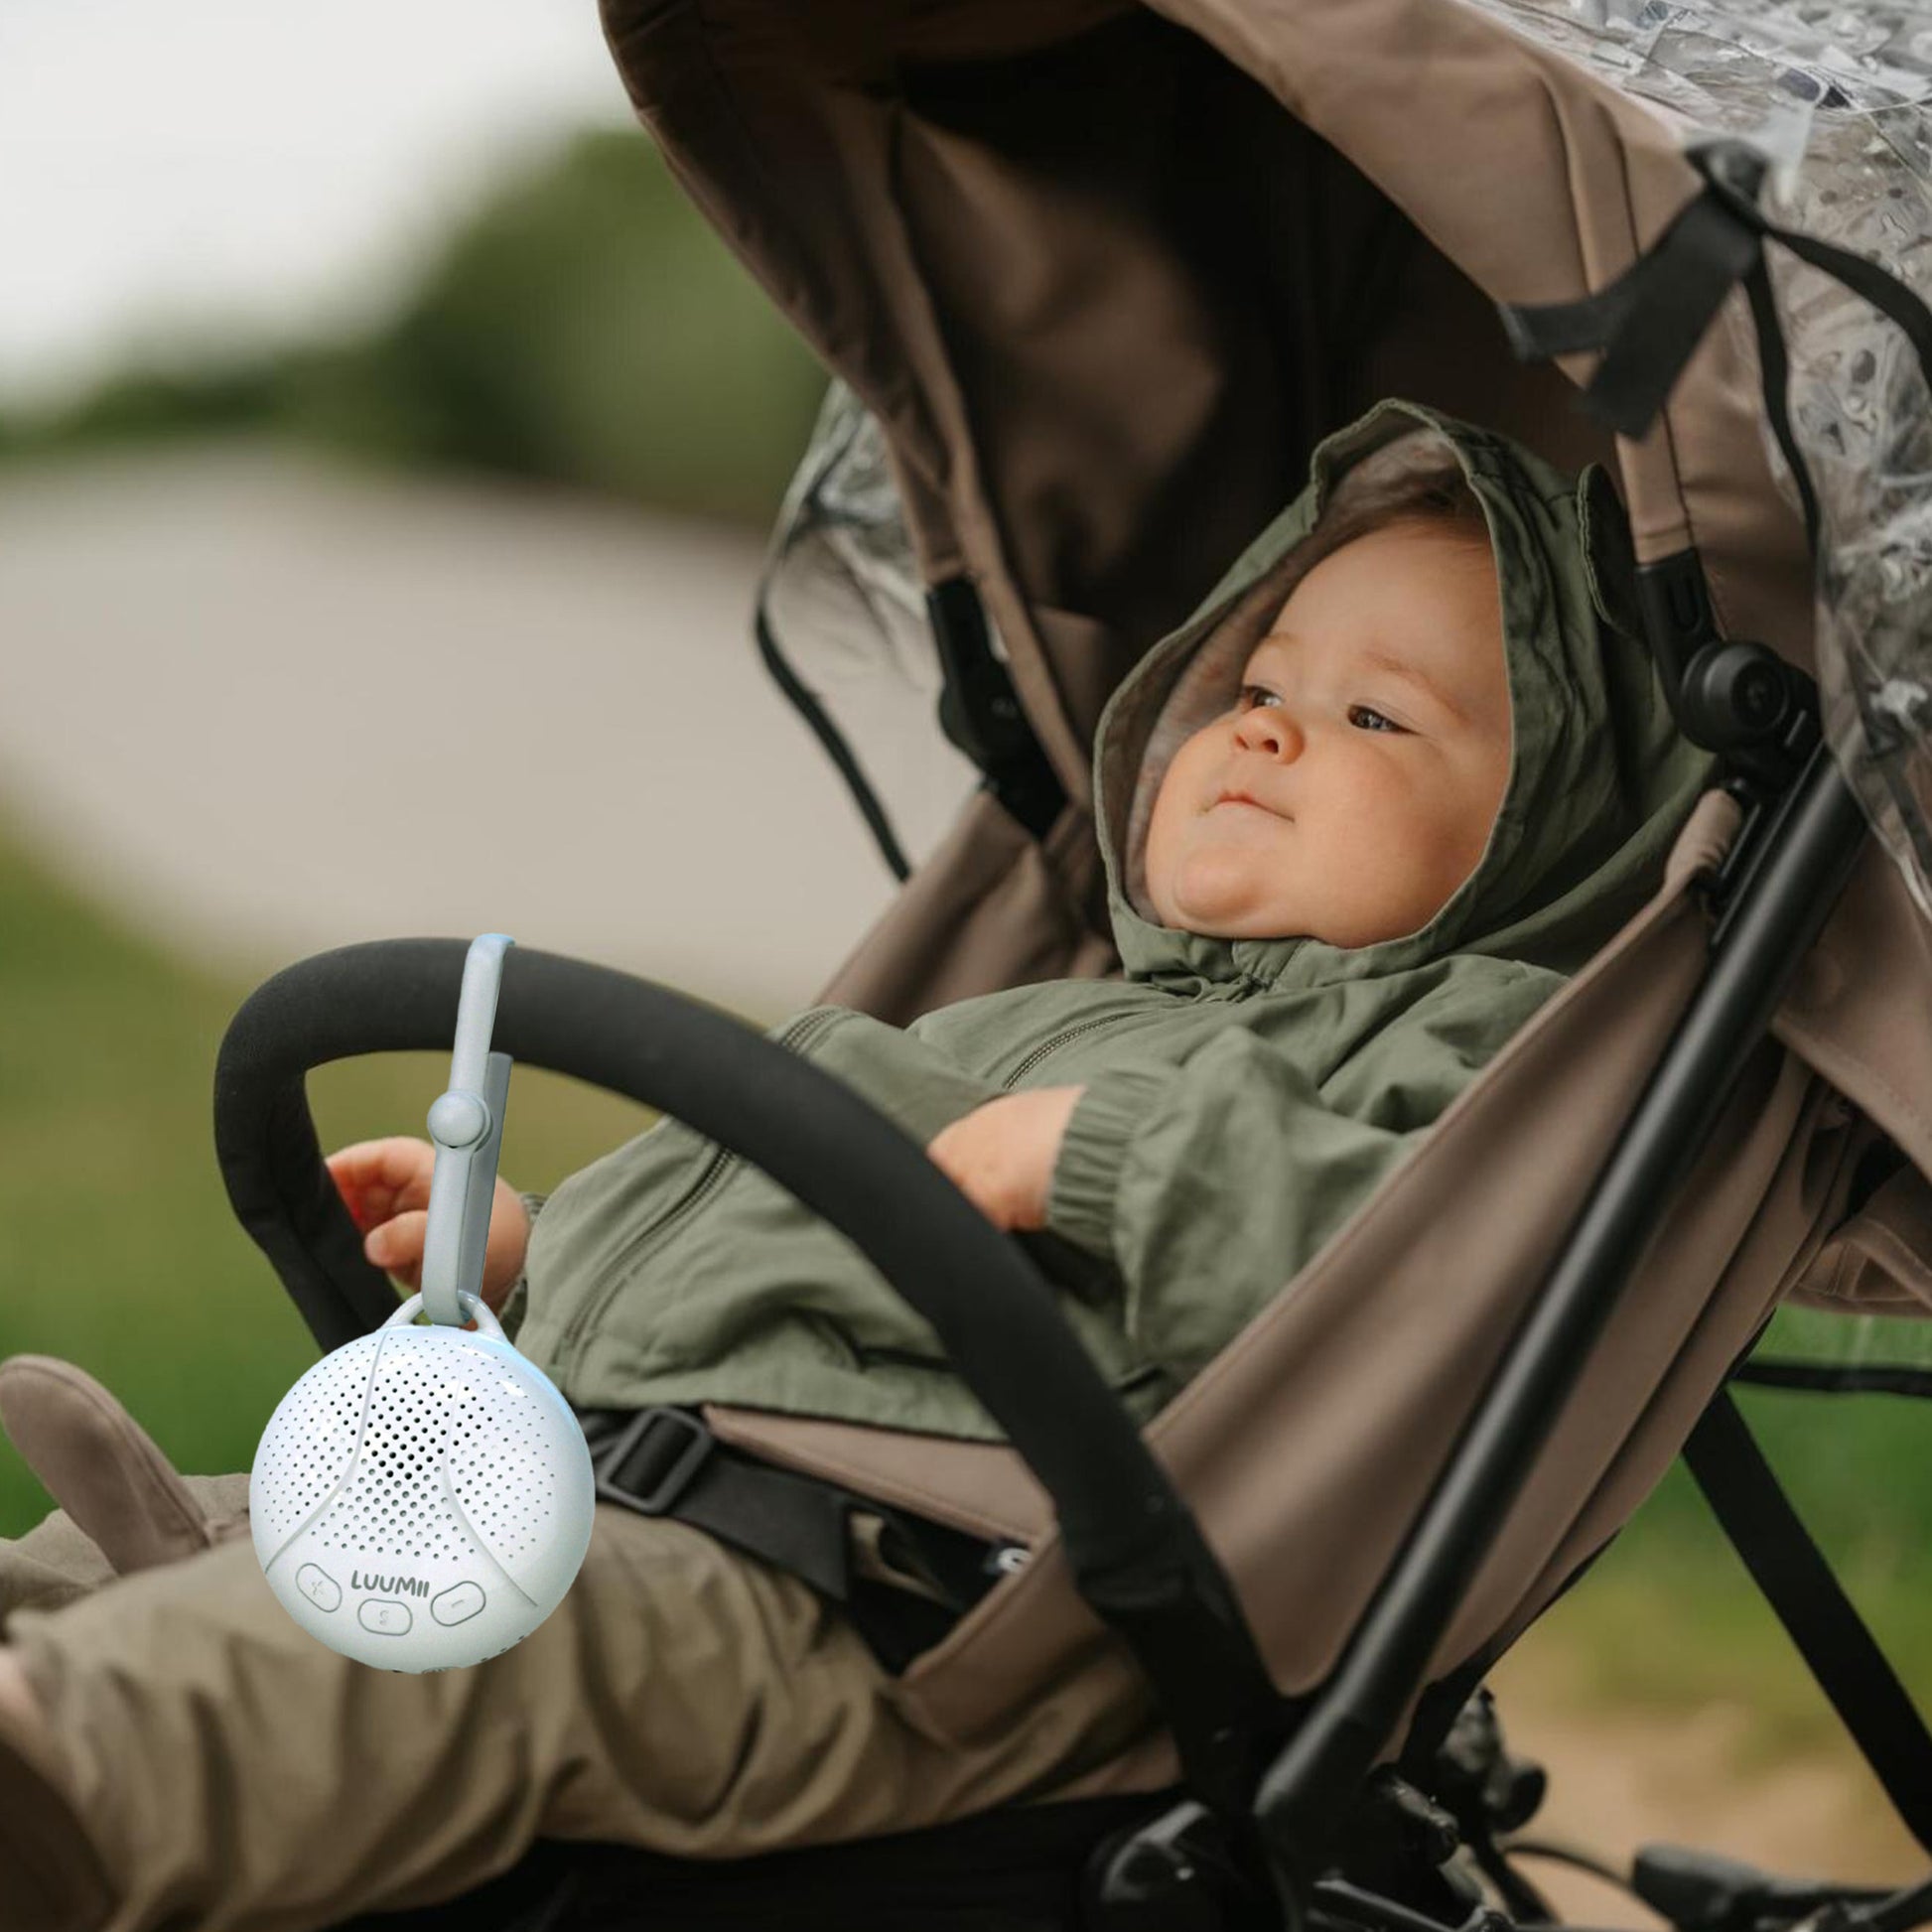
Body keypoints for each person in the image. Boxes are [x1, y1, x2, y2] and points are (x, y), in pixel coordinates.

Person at [0, 399, 1711, 1932]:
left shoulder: (1466, 1050)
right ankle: (88, 1670)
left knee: (438, 1656)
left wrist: (1117, 1161)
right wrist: (541, 1253)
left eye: (1374, 718)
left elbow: (1426, 1285)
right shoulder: (1064, 1003)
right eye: (1257, 687)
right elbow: (775, 1246)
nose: (1266, 731)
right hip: (621, 1484)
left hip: (893, 1617)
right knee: (201, 1556)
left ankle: (79, 1764)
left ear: (1549, 828)